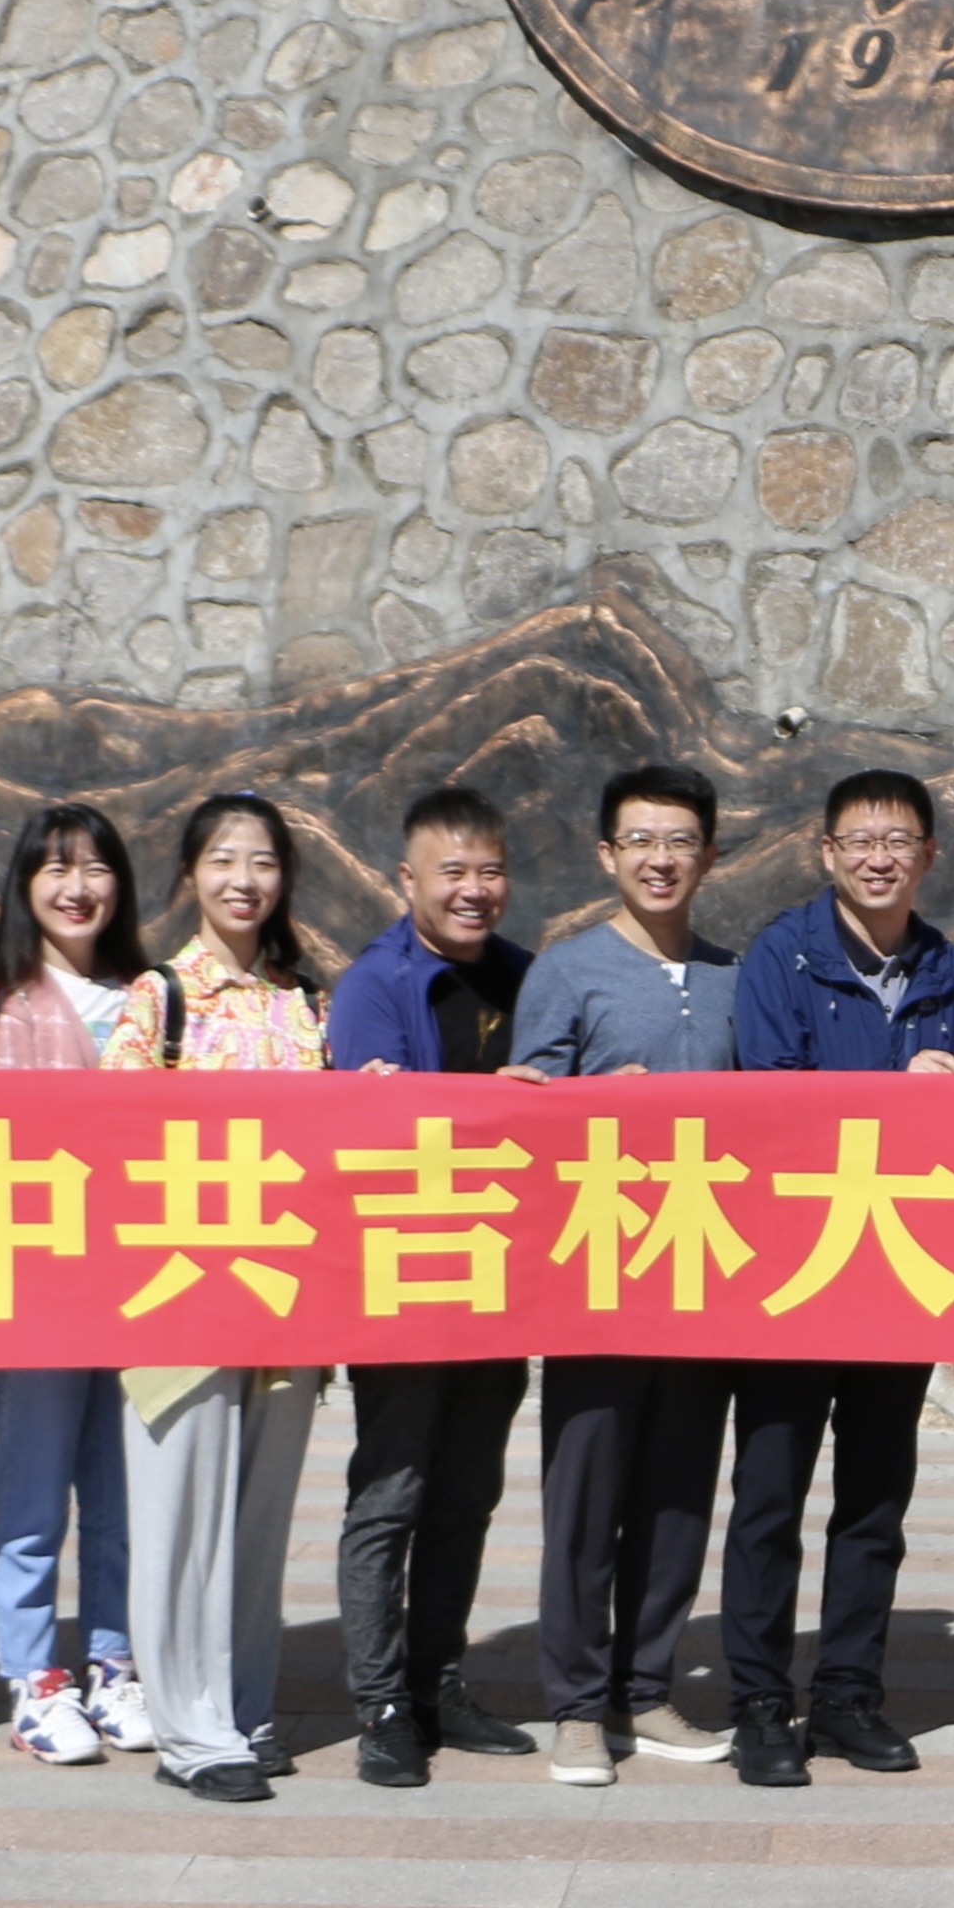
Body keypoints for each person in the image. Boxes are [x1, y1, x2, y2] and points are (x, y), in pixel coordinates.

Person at [721, 769, 954, 1785]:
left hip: (897, 1274)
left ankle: (846, 1695)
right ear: (825, 852)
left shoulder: (952, 972)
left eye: (899, 840)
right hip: (791, 1274)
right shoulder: (779, 956)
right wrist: (895, 1087)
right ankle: (757, 1702)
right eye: (860, 840)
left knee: (874, 1501)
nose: (880, 857)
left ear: (928, 855)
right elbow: (770, 1104)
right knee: (768, 1496)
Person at [509, 760, 743, 1789]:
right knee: (585, 1495)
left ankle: (646, 1689)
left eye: (679, 840)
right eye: (640, 840)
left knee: (679, 1494)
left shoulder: (739, 975)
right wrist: (593, 1099)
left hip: (702, 1276)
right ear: (608, 854)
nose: (660, 859)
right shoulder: (566, 971)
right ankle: (573, 1702)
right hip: (598, 1278)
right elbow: (528, 1119)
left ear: (709, 855)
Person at [97, 792, 332, 1806]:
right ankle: (188, 1731)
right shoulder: (159, 998)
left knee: (259, 1520)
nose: (245, 879)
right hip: (181, 1294)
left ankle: (242, 1705)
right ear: (191, 873)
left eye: (263, 860)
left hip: (284, 1297)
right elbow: (109, 1140)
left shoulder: (304, 1001)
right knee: (180, 1517)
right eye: (225, 859)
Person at [322, 781, 539, 1791]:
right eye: (451, 871)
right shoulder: (375, 985)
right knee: (392, 1494)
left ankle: (438, 1679)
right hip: (403, 1284)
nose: (473, 889)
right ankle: (380, 1705)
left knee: (467, 1494)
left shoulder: (524, 977)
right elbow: (379, 1134)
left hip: (498, 1282)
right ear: (405, 879)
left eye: (489, 870)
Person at [0, 803, 162, 1767]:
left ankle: (111, 1660)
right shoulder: (1, 1005)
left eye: (95, 868)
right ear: (25, 886)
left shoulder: (150, 996)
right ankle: (33, 1674)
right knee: (33, 1492)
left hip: (144, 1279)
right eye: (55, 869)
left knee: (120, 1493)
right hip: (40, 1285)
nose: (77, 888)